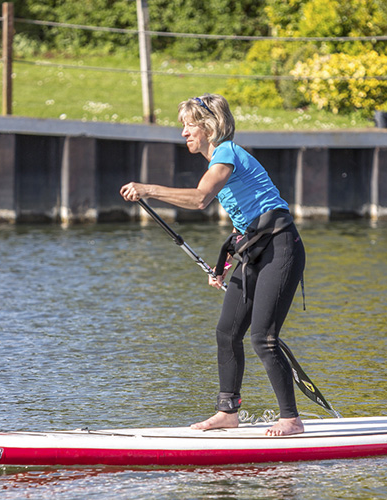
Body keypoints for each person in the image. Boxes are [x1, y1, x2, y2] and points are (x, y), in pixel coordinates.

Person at [120, 93, 307, 436]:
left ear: (208, 126)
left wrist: (147, 189)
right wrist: (222, 266)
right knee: (227, 331)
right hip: (256, 251)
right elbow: (242, 228)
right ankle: (227, 412)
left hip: (282, 249)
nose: (184, 134)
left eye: (188, 126)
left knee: (263, 338)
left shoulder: (226, 153)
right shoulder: (219, 161)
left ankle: (291, 419)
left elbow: (199, 199)